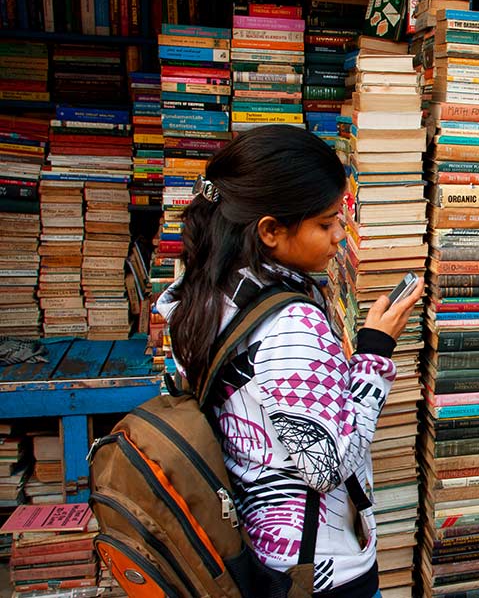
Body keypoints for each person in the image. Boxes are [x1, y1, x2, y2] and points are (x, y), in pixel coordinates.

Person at [157, 125, 422, 598]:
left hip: (253, 548)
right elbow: (326, 465)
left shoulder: (201, 292)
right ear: (271, 231)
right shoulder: (291, 324)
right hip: (318, 569)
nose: (341, 236)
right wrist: (375, 352)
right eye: (325, 224)